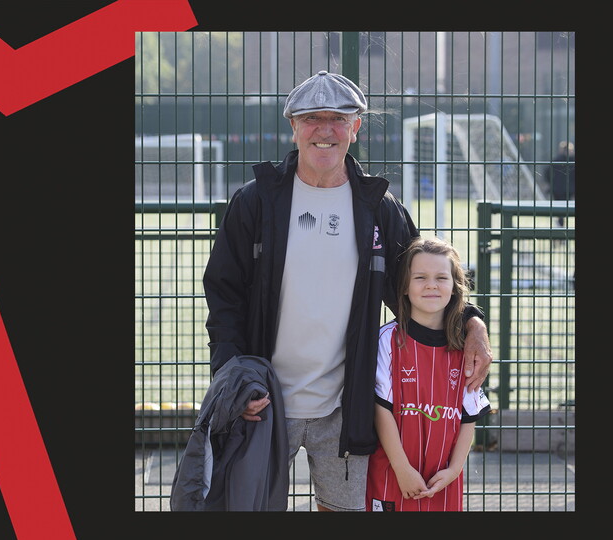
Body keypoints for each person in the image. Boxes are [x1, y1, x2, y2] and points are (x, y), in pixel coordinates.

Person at [201, 70, 493, 512]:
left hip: (345, 404)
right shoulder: (256, 201)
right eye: (311, 118)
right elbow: (223, 295)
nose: (325, 129)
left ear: (355, 128)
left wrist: (473, 323)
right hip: (265, 401)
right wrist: (234, 379)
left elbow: (415, 283)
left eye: (338, 119)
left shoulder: (377, 207)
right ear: (293, 126)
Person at [366, 237, 491, 511]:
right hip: (393, 473)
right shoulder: (387, 341)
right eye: (420, 277)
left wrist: (455, 470)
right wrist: (402, 469)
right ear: (405, 287)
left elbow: (468, 417)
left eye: (441, 278)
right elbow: (381, 410)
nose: (431, 285)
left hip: (442, 479)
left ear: (455, 287)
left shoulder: (465, 348)